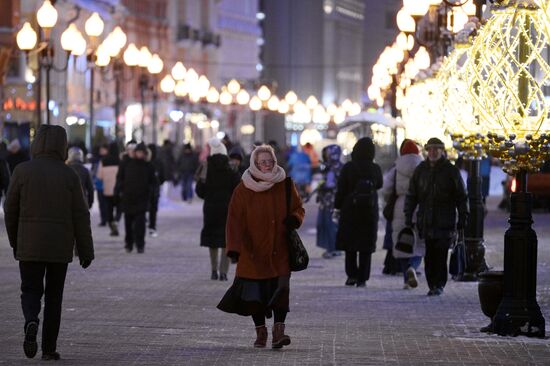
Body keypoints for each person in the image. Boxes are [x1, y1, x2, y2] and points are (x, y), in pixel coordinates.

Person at [4, 125, 94, 360]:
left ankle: (31, 320)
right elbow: (80, 215)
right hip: (59, 247)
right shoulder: (69, 175)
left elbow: (10, 209)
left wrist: (16, 242)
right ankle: (49, 348)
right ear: (62, 146)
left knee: (30, 289)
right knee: (55, 296)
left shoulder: (22, 171)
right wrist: (85, 250)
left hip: (29, 245)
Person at [217, 144, 305, 349]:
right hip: (252, 250)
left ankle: (278, 332)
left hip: (280, 248)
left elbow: (298, 207)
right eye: (263, 162)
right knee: (254, 295)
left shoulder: (284, 184)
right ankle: (261, 331)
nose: (267, 165)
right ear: (255, 163)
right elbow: (234, 220)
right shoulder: (243, 188)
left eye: (270, 161)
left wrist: (294, 219)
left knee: (281, 291)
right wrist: (234, 248)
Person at [404, 137, 469, 296]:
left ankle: (438, 284)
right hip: (426, 219)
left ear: (442, 151)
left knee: (440, 254)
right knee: (430, 254)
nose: (432, 152)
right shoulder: (421, 170)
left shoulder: (450, 170)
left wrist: (462, 217)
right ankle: (432, 283)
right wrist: (408, 215)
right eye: (430, 149)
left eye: (436, 149)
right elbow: (412, 195)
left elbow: (461, 196)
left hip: (444, 219)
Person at [333, 137, 382, 288]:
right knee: (366, 246)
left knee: (351, 245)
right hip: (369, 210)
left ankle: (351, 276)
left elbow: (341, 188)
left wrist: (338, 207)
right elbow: (379, 184)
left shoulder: (348, 167)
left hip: (350, 210)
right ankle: (363, 278)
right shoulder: (375, 168)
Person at [196, 138, 241, 281]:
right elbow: (238, 189)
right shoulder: (231, 169)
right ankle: (224, 272)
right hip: (227, 208)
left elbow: (200, 191)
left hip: (210, 208)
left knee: (213, 240)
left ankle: (213, 270)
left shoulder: (206, 168)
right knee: (226, 240)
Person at [382, 139, 424, 289]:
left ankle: (407, 275)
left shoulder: (396, 168)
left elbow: (386, 189)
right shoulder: (423, 167)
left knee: (400, 241)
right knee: (418, 242)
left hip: (400, 205)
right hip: (419, 205)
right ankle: (413, 266)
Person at [116, 142, 157, 253]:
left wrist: (151, 194)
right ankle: (129, 244)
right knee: (128, 224)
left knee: (140, 224)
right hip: (128, 198)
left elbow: (153, 182)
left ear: (145, 154)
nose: (139, 154)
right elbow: (120, 178)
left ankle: (140, 244)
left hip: (142, 199)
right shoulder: (127, 164)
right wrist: (119, 191)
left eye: (141, 152)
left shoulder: (149, 166)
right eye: (137, 152)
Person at [316, 144, 343, 259]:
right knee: (324, 224)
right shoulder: (328, 167)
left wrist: (324, 188)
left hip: (331, 202)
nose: (326, 155)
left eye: (328, 153)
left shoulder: (336, 167)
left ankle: (333, 249)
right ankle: (331, 248)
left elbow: (331, 184)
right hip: (326, 201)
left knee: (330, 225)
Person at [97, 142, 120, 236]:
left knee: (109, 209)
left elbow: (99, 176)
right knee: (119, 208)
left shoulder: (103, 161)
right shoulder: (121, 161)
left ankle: (112, 225)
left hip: (107, 190)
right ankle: (116, 220)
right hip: (118, 190)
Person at [147, 143, 165, 237]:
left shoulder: (146, 162)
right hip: (155, 189)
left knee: (147, 207)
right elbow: (163, 176)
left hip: (147, 189)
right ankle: (152, 226)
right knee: (153, 208)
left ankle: (149, 224)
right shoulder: (158, 162)